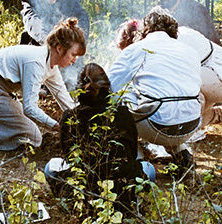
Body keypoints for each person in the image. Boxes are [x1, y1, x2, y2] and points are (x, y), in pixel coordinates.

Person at [44, 63, 155, 215]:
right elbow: (131, 153)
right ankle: (134, 201)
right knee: (149, 169)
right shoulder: (123, 113)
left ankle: (71, 203)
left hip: (84, 187)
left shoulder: (70, 117)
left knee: (50, 167)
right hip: (120, 187)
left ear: (79, 89)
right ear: (107, 87)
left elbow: (68, 156)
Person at [116, 14, 222, 135]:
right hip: (205, 73)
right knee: (180, 105)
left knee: (181, 93)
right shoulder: (159, 37)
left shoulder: (170, 39)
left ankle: (191, 132)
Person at [107, 10, 203, 174]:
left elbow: (109, 84)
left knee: (120, 98)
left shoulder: (137, 48)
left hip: (155, 126)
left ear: (144, 31)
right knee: (170, 100)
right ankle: (181, 152)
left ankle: (137, 160)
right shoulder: (190, 51)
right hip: (191, 124)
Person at [0, 18, 84, 151]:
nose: (75, 60)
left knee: (26, 129)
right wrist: (57, 126)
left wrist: (81, 120)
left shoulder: (50, 65)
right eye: (73, 55)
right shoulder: (36, 62)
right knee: (33, 136)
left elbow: (65, 101)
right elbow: (29, 108)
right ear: (59, 48)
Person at [20, 0, 89, 88]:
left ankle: (72, 80)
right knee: (26, 35)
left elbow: (82, 19)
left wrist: (76, 40)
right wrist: (52, 40)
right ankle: (40, 83)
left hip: (67, 45)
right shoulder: (30, 2)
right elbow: (33, 23)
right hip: (44, 46)